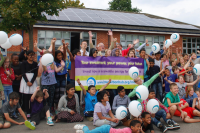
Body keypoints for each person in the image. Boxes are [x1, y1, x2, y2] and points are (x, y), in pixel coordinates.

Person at [20, 50, 38, 118]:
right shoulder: (24, 63)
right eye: (30, 55)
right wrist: (27, 81)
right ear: (27, 56)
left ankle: (33, 110)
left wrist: (32, 82)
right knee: (26, 97)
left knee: (32, 96)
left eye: (33, 55)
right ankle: (27, 111)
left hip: (32, 80)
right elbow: (23, 73)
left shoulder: (35, 63)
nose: (31, 56)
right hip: (25, 80)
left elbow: (36, 73)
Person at [73, 120, 143, 133]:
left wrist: (141, 131)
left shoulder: (132, 131)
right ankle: (84, 127)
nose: (139, 128)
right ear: (132, 127)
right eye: (138, 127)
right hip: (106, 129)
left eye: (140, 127)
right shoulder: (128, 130)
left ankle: (82, 132)